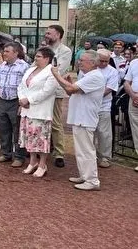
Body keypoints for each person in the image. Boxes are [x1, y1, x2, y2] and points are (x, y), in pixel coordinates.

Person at [52, 50, 105, 190]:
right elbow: (71, 89)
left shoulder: (95, 76)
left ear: (93, 63)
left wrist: (56, 75)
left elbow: (70, 88)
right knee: (81, 150)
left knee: (86, 150)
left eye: (82, 60)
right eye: (79, 59)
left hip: (85, 118)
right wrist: (68, 81)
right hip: (80, 117)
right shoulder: (87, 75)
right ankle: (85, 175)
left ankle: (92, 180)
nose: (79, 62)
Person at [17, 47, 58, 178]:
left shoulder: (51, 72)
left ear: (47, 58)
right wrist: (21, 98)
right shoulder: (30, 70)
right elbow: (21, 86)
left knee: (41, 139)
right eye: (36, 56)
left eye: (39, 56)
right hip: (27, 110)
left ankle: (42, 164)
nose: (36, 58)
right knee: (29, 138)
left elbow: (47, 91)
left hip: (40, 110)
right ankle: (33, 162)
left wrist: (29, 99)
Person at [0, 42, 29, 167]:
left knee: (17, 130)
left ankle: (19, 156)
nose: (4, 53)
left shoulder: (24, 67)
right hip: (2, 100)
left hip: (16, 101)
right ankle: (6, 153)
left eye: (7, 51)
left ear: (16, 52)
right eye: (4, 51)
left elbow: (28, 86)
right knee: (3, 129)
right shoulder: (1, 66)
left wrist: (22, 104)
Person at [84, 49, 118, 168]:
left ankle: (104, 157)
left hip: (104, 105)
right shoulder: (89, 69)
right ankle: (91, 155)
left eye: (106, 61)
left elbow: (109, 89)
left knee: (104, 132)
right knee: (89, 132)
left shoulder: (112, 71)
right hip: (89, 105)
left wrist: (94, 94)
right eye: (101, 61)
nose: (104, 63)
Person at [44, 24, 72, 168]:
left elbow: (58, 70)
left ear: (58, 35)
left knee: (55, 122)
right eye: (46, 33)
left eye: (49, 33)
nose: (46, 35)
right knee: (42, 120)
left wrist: (43, 71)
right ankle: (44, 147)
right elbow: (35, 66)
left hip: (55, 91)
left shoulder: (65, 51)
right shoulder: (43, 50)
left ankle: (59, 153)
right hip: (42, 90)